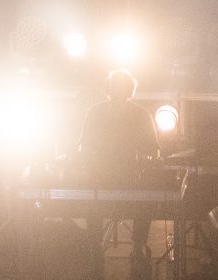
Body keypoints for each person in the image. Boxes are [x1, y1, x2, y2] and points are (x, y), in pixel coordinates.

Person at [76, 70, 161, 279]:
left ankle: (138, 245)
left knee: (146, 197)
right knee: (92, 195)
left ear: (129, 90)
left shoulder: (140, 114)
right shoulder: (96, 112)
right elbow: (84, 146)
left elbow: (153, 148)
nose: (119, 90)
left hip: (130, 174)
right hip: (102, 173)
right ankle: (95, 245)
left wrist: (148, 160)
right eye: (116, 86)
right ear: (109, 89)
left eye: (122, 86)